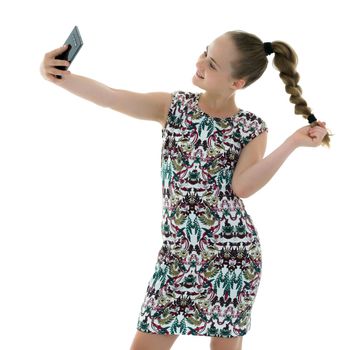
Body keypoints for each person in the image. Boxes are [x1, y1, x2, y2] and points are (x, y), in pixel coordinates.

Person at [40, 29, 330, 350]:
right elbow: (112, 97)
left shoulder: (251, 127)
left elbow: (243, 187)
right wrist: (60, 78)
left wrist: (291, 143)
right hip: (178, 255)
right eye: (205, 52)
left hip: (232, 256)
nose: (200, 62)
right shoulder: (173, 107)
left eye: (214, 64)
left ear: (237, 83)